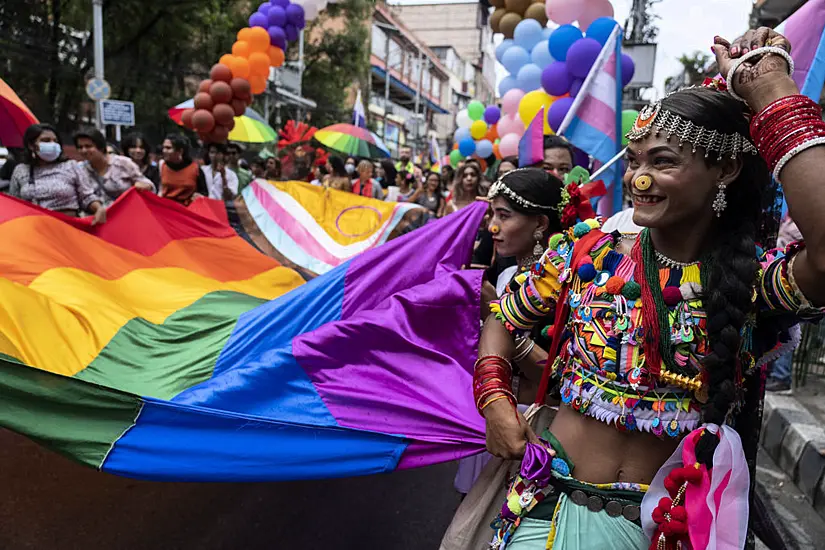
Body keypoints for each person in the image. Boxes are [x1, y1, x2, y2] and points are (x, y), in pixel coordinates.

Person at [476, 28, 825, 550]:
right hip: (542, 509)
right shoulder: (588, 253)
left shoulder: (750, 281)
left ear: (725, 169)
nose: (639, 179)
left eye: (663, 162)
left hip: (658, 531)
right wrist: (496, 401)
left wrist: (772, 91)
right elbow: (504, 320)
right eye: (635, 160)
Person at [454, 168, 567, 497]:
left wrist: (499, 318)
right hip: (496, 419)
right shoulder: (506, 277)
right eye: (491, 215)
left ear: (540, 224)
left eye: (504, 216)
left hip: (539, 434)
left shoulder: (566, 283)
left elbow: (561, 382)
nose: (493, 227)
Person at [9, 123, 106, 224]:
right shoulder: (21, 170)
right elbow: (14, 205)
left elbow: (87, 197)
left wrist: (98, 208)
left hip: (67, 227)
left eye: (55, 141)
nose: (52, 144)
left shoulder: (71, 166)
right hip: (34, 230)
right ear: (31, 145)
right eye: (46, 140)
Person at [75, 129, 154, 205]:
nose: (84, 150)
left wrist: (143, 186)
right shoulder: (80, 169)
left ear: (101, 147)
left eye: (88, 146)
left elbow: (148, 185)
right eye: (80, 147)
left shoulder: (123, 163)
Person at [159, 134, 207, 206]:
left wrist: (199, 196)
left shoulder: (195, 169)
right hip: (165, 209)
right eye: (163, 147)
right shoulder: (162, 166)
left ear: (180, 151)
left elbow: (204, 193)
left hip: (187, 210)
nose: (164, 150)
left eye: (168, 148)